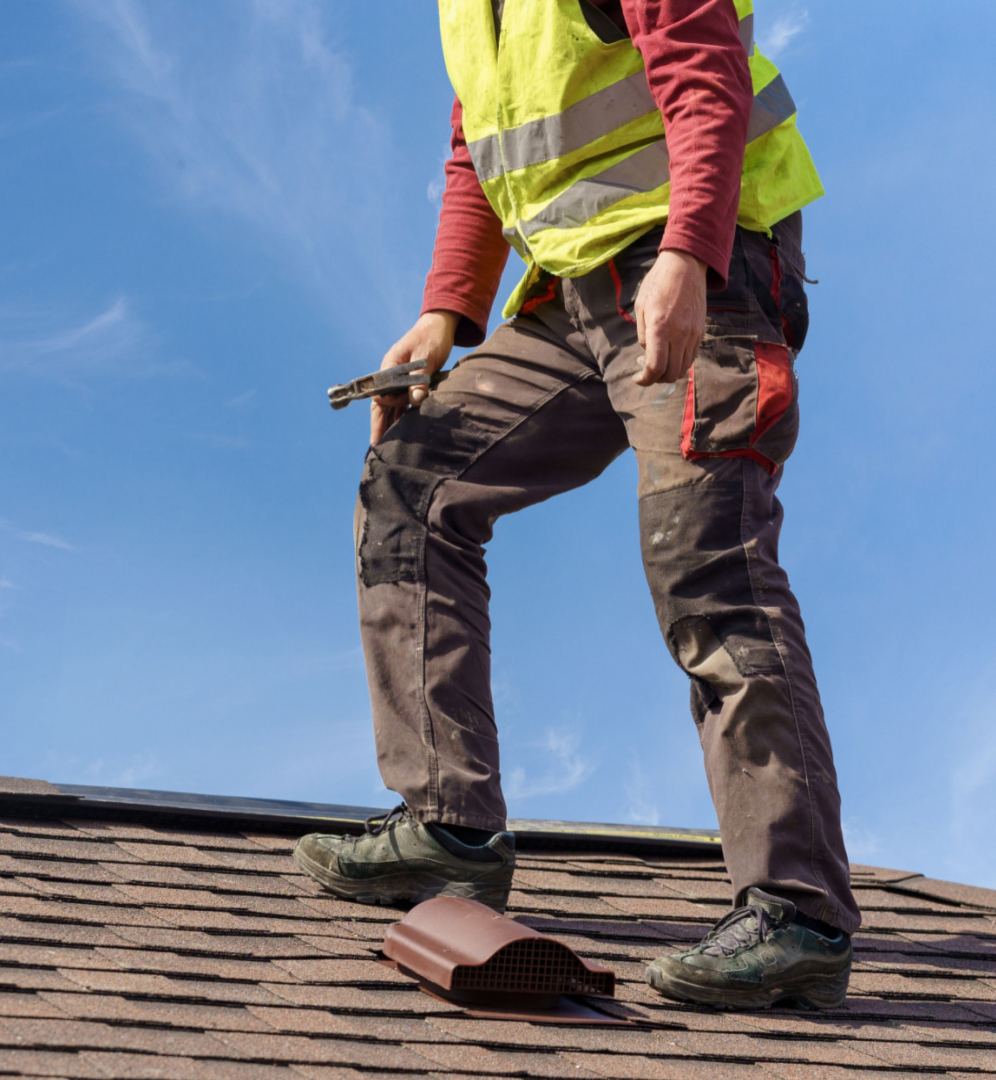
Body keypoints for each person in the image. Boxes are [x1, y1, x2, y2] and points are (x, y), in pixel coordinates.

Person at [294, 0, 861, 1011]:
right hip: (575, 302)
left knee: (707, 559)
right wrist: (443, 313)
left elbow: (706, 79)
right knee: (410, 482)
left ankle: (798, 913)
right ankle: (449, 829)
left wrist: (693, 252)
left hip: (703, 275)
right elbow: (479, 152)